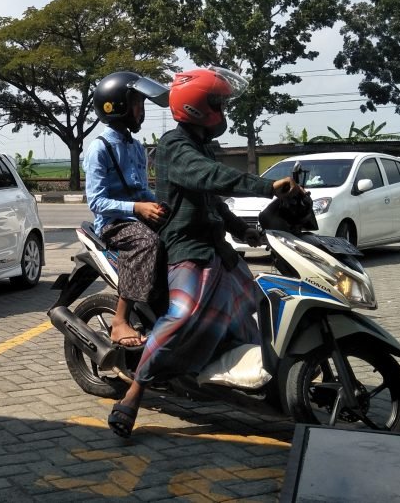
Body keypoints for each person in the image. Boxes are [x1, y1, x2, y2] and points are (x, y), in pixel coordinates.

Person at [107, 67, 302, 438]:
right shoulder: (175, 146)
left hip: (216, 248)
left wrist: (241, 229)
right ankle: (136, 391)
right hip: (186, 246)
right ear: (197, 107)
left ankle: (247, 377)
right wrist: (267, 187)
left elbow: (212, 199)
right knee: (182, 315)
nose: (223, 111)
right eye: (218, 103)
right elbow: (209, 176)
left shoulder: (202, 146)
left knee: (253, 306)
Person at [83, 71, 170, 349]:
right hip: (113, 224)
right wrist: (136, 208)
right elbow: (96, 202)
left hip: (136, 216)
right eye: (137, 104)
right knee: (147, 242)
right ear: (117, 106)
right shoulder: (99, 149)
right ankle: (120, 319)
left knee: (178, 231)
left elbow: (141, 189)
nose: (141, 111)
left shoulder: (136, 147)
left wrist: (159, 204)